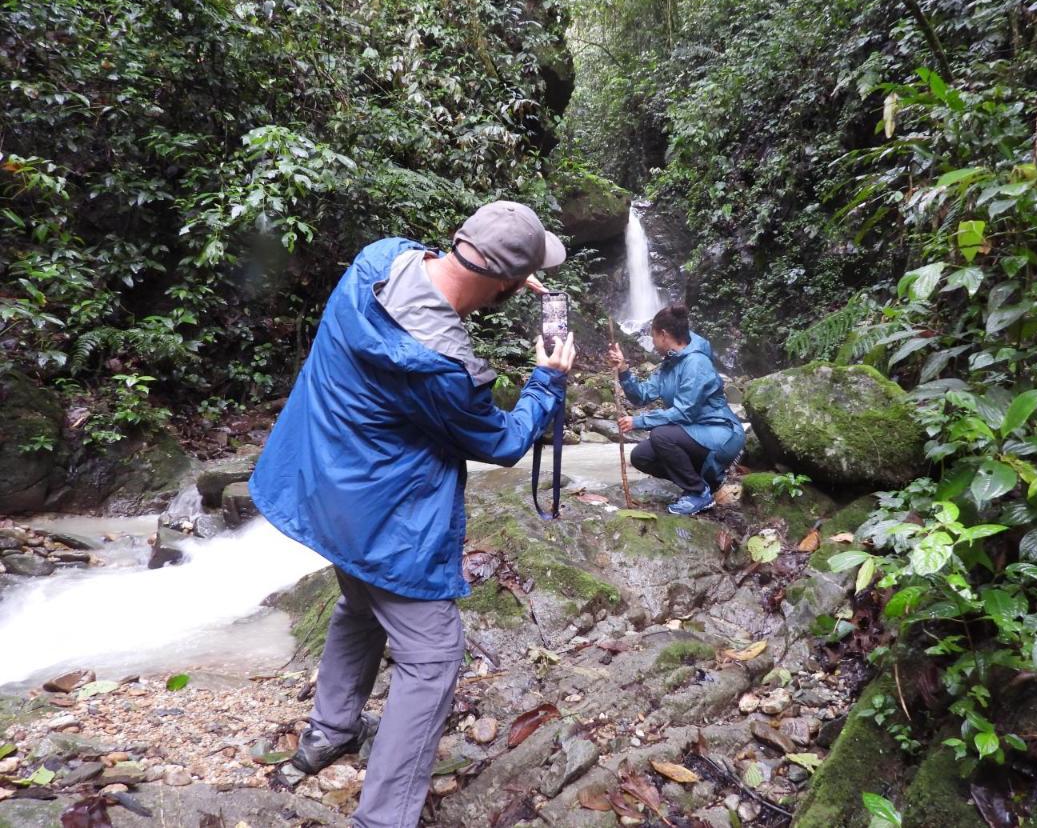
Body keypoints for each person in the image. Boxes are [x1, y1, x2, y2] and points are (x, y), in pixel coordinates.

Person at [248, 201, 576, 828]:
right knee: (432, 657)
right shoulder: (443, 365)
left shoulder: (375, 260)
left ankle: (331, 732)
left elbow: (429, 266)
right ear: (507, 283)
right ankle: (384, 818)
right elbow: (502, 443)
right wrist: (545, 382)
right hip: (380, 514)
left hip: (319, 485)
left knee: (361, 603)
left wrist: (494, 267)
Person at [607, 303, 744, 516]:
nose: (652, 343)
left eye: (653, 337)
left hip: (721, 432)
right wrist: (624, 370)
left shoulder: (696, 362)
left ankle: (698, 493)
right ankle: (704, 482)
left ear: (664, 335)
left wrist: (639, 422)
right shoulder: (669, 364)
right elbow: (641, 396)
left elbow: (684, 412)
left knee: (661, 435)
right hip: (694, 432)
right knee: (641, 456)